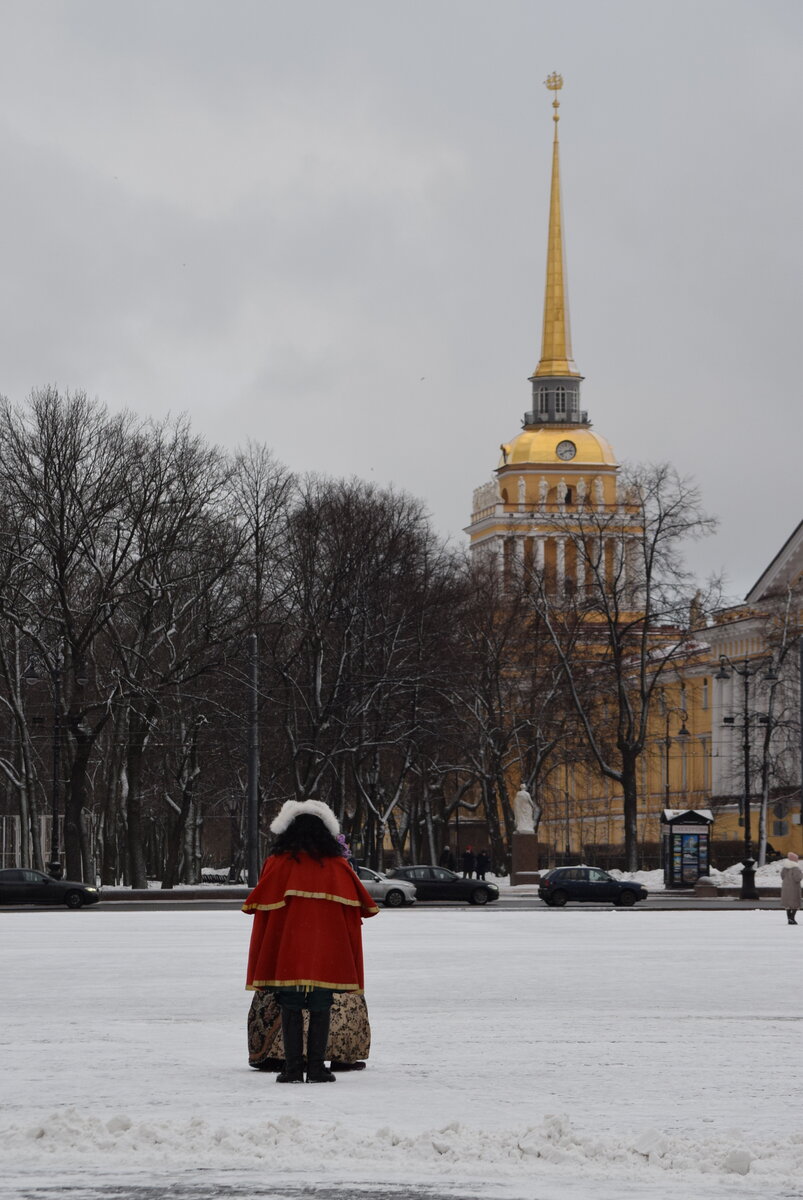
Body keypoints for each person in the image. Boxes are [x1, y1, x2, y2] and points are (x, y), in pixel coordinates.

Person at [243, 799, 379, 1082]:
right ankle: (317, 1068)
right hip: (327, 951)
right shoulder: (338, 866)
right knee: (320, 1004)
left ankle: (292, 1068)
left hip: (288, 950)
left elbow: (263, 915)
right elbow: (357, 911)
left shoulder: (276, 864)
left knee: (290, 1004)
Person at [780, 851, 802, 925]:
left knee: (788, 905)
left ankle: (789, 919)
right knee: (795, 904)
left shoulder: (785, 868)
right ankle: (792, 918)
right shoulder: (796, 869)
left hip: (785, 888)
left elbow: (782, 876)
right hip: (794, 889)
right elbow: (797, 878)